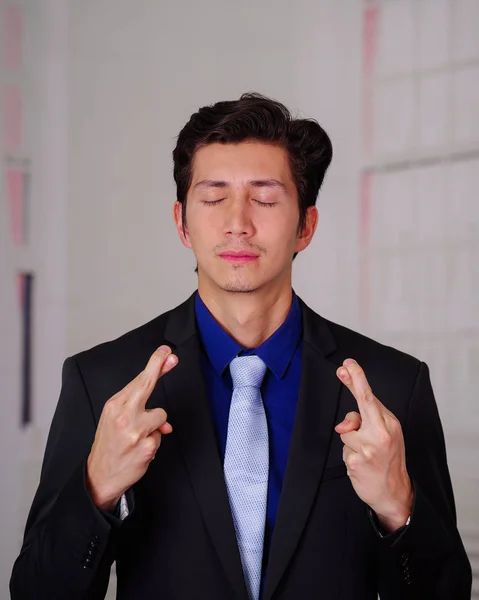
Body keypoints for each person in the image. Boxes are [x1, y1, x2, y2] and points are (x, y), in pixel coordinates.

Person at [10, 93, 471, 600]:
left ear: (306, 226)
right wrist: (96, 489)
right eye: (212, 198)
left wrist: (397, 508)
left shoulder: (392, 388)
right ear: (182, 222)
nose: (238, 222)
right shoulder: (102, 383)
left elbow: (445, 590)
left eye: (266, 198)